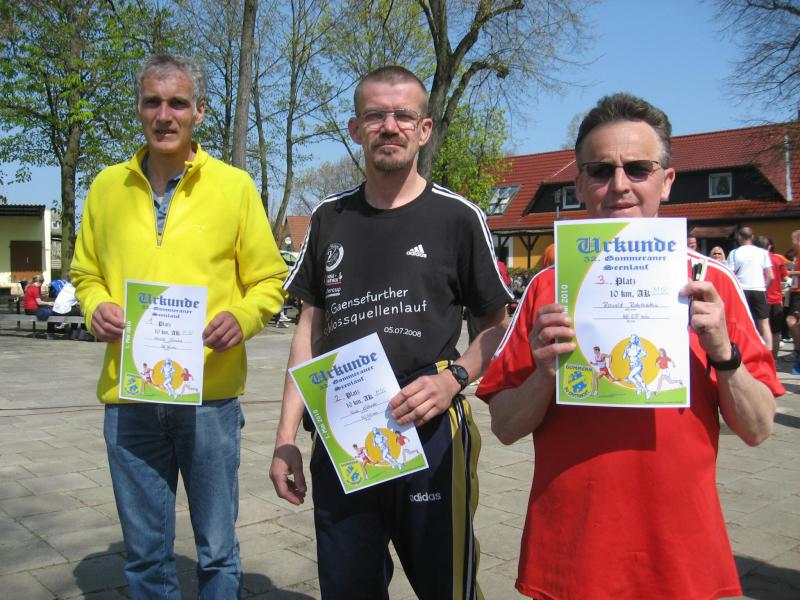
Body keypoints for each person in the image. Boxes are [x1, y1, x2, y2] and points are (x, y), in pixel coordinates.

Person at [476, 93, 782, 600]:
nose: (619, 185)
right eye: (600, 171)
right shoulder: (548, 287)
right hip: (572, 553)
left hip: (680, 554)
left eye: (638, 168)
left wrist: (724, 353)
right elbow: (505, 428)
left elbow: (758, 429)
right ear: (578, 184)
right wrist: (545, 373)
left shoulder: (712, 283)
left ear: (667, 180)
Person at [269, 65, 511, 600]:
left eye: (403, 115)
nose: (390, 126)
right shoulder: (329, 218)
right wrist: (285, 439)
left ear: (424, 130)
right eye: (376, 115)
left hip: (430, 430)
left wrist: (454, 379)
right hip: (342, 436)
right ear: (356, 129)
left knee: (447, 589)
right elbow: (307, 333)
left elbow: (497, 329)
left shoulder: (458, 217)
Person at [71, 54, 287, 598]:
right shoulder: (106, 188)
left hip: (209, 399)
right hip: (130, 397)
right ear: (138, 110)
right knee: (145, 557)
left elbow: (269, 280)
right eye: (152, 102)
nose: (164, 115)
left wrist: (242, 318)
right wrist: (94, 305)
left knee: (217, 550)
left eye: (177, 103)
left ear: (199, 111)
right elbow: (85, 272)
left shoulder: (234, 187)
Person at [727, 226, 773, 351]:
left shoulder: (734, 253)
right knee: (764, 324)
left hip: (741, 290)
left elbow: (730, 274)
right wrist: (764, 288)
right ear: (752, 237)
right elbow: (771, 276)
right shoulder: (762, 252)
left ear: (739, 238)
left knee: (742, 323)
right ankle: (769, 354)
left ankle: (744, 352)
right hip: (759, 290)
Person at [756, 235, 789, 359]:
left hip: (760, 299)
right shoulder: (777, 259)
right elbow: (785, 277)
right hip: (776, 299)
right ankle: (773, 359)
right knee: (775, 332)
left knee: (760, 330)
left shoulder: (755, 259)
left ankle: (761, 358)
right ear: (769, 246)